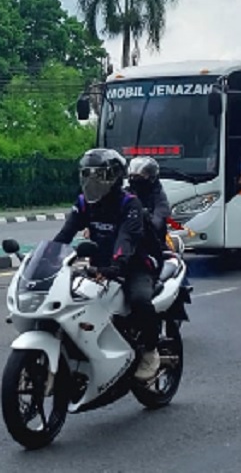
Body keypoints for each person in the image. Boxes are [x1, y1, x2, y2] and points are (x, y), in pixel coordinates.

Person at [52, 148, 161, 382]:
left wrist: (116, 265)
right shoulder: (84, 203)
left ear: (115, 177)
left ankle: (150, 351)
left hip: (135, 265)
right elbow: (65, 235)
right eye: (87, 174)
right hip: (100, 266)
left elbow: (126, 240)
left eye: (99, 175)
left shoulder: (129, 204)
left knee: (139, 300)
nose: (92, 181)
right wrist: (49, 256)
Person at [127, 156, 172, 262]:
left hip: (152, 243)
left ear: (151, 177)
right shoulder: (126, 193)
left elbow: (160, 216)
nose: (134, 180)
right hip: (126, 240)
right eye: (132, 176)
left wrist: (146, 219)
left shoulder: (158, 195)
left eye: (140, 176)